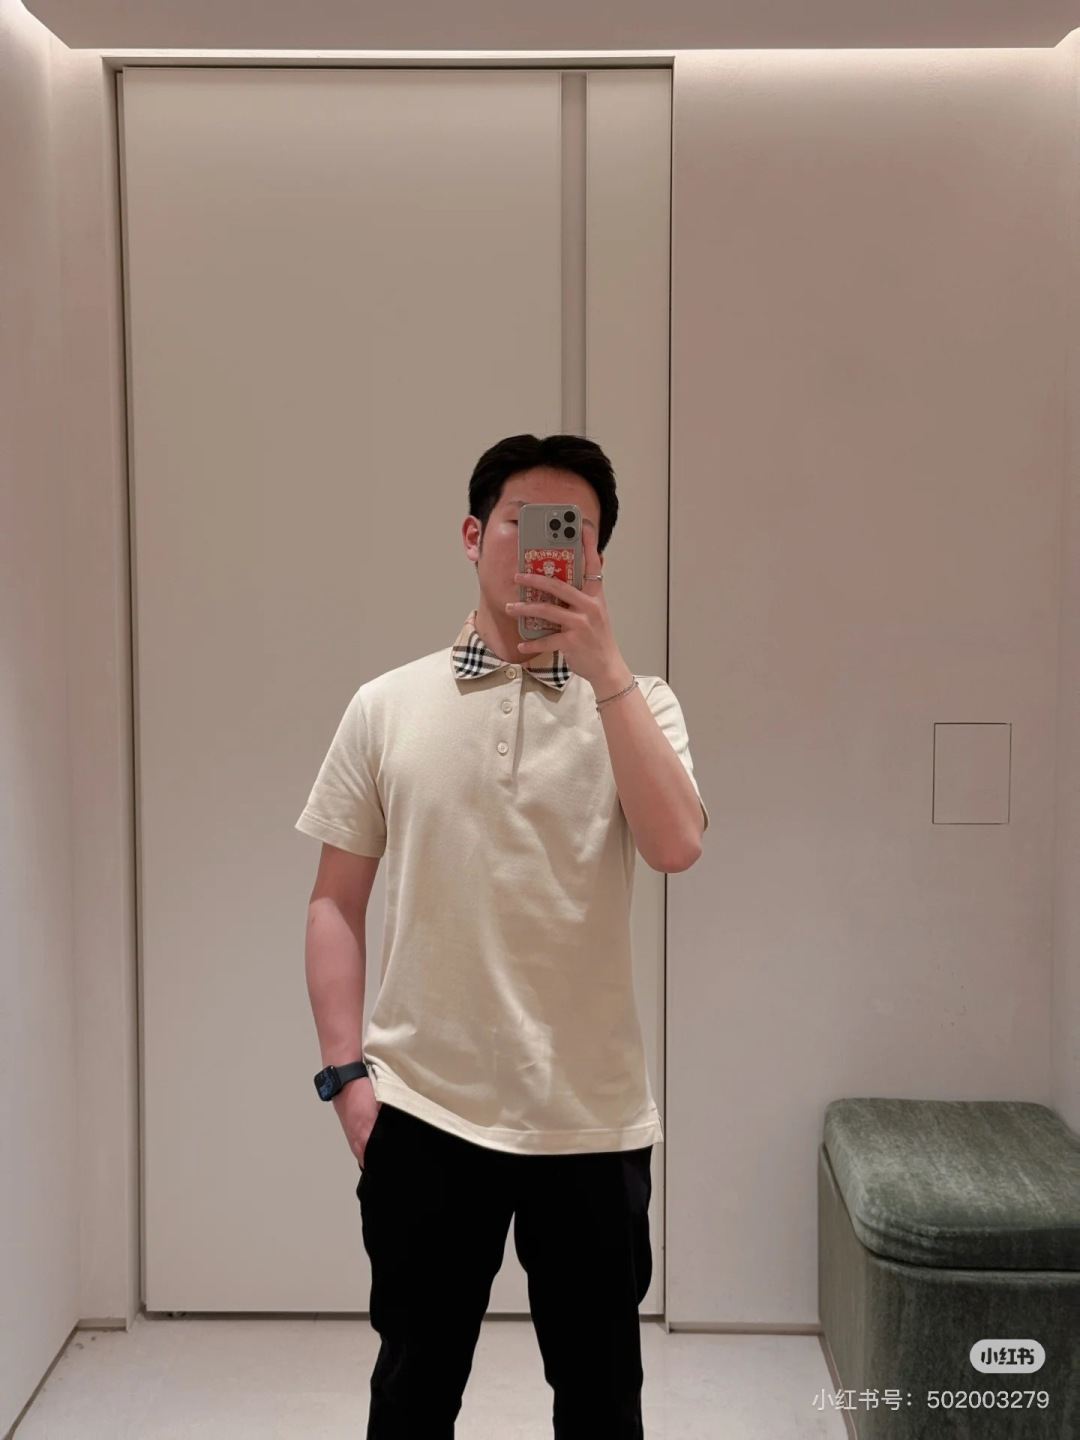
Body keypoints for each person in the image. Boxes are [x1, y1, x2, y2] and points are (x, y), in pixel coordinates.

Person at [296, 433, 709, 1439]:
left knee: (602, 1403)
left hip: (592, 1119)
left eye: (576, 532)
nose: (546, 547)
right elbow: (334, 902)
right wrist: (347, 1080)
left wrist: (605, 668)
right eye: (524, 522)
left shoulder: (642, 704)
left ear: (597, 558)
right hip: (425, 1112)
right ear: (474, 535)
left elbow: (676, 847)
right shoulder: (387, 706)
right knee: (413, 1394)